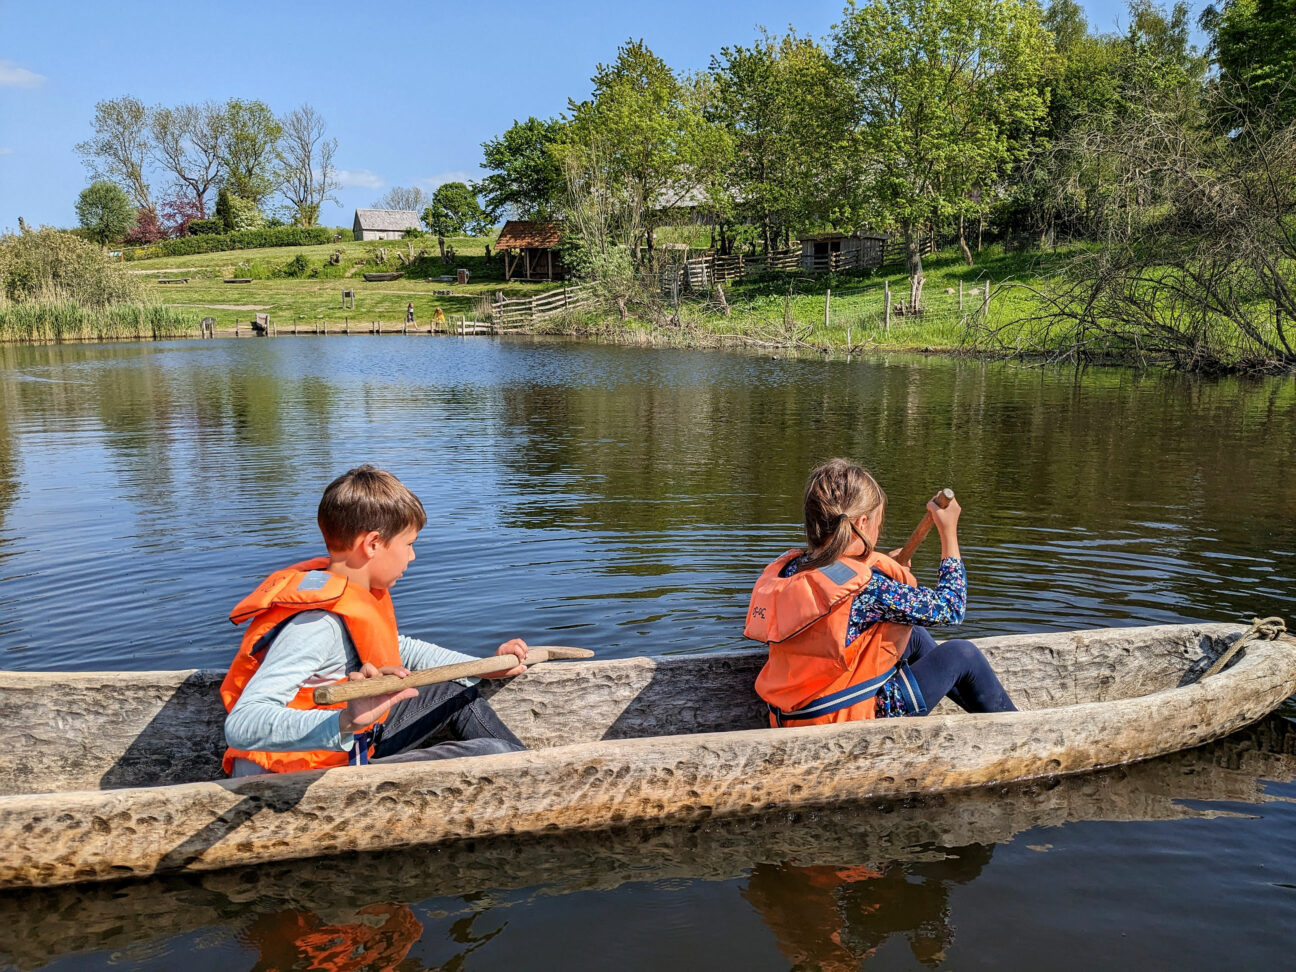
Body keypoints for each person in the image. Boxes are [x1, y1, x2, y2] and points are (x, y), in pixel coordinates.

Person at [222, 464, 529, 776]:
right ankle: (535, 775)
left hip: (349, 742)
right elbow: (242, 725)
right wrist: (345, 721)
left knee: (455, 690)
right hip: (297, 777)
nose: (412, 557)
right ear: (372, 544)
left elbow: (400, 648)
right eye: (409, 544)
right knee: (496, 754)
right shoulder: (317, 626)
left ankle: (533, 768)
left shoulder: (354, 598)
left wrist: (485, 667)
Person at [745, 457, 1014, 726]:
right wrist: (948, 533)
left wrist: (884, 569)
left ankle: (980, 716)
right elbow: (951, 607)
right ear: (861, 523)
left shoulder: (791, 569)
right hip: (841, 720)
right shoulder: (870, 590)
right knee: (961, 654)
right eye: (877, 523)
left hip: (793, 715)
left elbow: (843, 586)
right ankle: (1017, 728)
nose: (878, 531)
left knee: (914, 635)